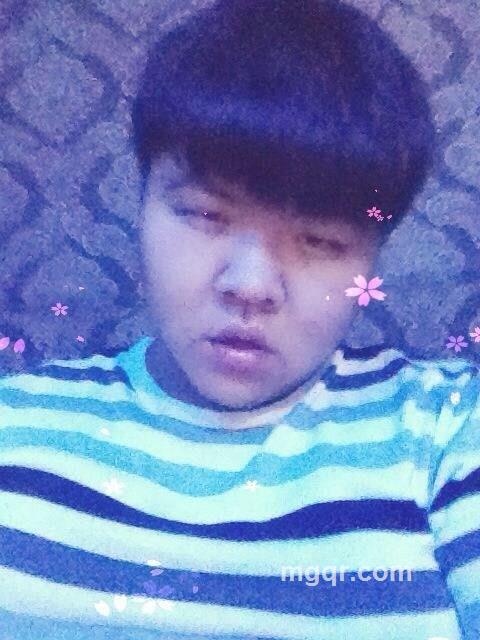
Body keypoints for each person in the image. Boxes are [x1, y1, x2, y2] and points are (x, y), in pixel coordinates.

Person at [0, 0, 478, 638]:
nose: (251, 286)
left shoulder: (447, 434)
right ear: (140, 203)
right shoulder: (15, 427)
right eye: (205, 215)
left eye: (321, 241)